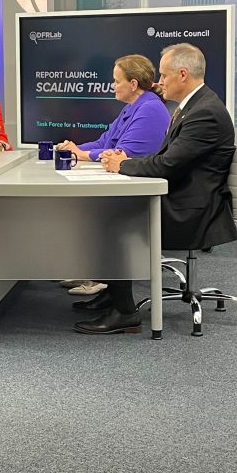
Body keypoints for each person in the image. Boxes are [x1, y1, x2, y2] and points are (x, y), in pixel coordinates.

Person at [73, 43, 237, 335]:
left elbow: (166, 165)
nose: (158, 82)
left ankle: (125, 313)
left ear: (183, 74)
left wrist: (122, 165)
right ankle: (115, 295)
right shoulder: (193, 107)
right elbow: (164, 158)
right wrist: (126, 161)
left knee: (113, 219)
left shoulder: (204, 113)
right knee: (109, 210)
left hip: (193, 210)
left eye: (163, 75)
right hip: (184, 197)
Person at [57, 54, 170, 295]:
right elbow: (104, 141)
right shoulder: (134, 107)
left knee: (95, 213)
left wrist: (81, 154)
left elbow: (122, 154)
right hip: (125, 183)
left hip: (138, 192)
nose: (112, 86)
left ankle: (100, 277)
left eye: (116, 81)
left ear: (133, 84)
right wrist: (75, 150)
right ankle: (95, 272)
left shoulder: (149, 109)